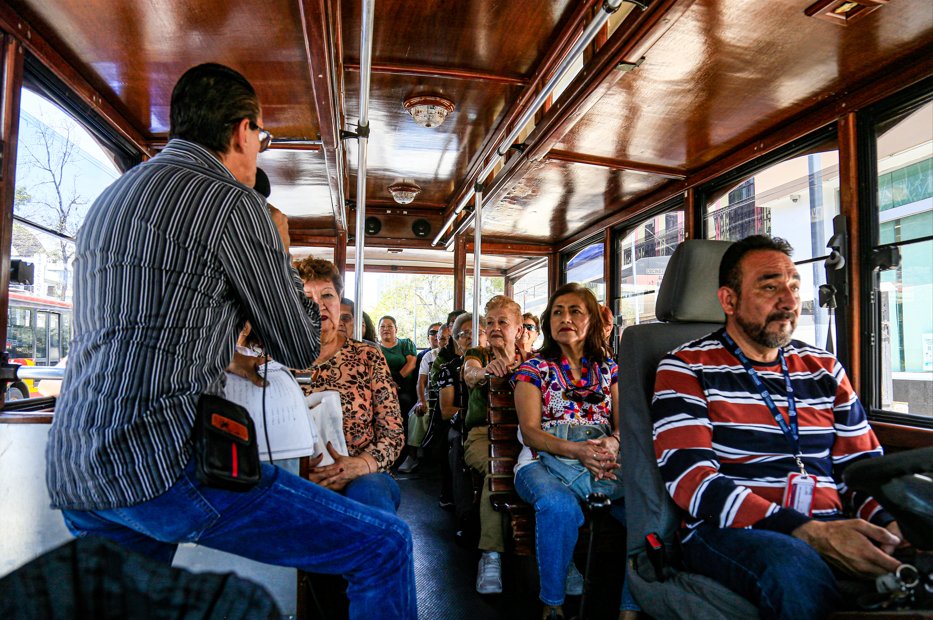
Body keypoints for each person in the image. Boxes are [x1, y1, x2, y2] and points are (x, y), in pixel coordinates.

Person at [44, 63, 416, 619]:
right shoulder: (232, 203)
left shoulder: (112, 199)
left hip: (78, 464)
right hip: (160, 463)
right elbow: (296, 340)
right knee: (385, 544)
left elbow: (154, 325)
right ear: (243, 130)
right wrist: (276, 248)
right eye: (262, 139)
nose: (259, 151)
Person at [652, 235, 904, 620]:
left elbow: (864, 468)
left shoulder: (824, 369)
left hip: (828, 520)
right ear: (729, 300)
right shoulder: (685, 367)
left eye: (794, 286)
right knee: (790, 564)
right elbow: (692, 480)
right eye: (770, 286)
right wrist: (808, 532)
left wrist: (892, 526)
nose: (788, 301)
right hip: (730, 528)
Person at [513, 283, 636, 620]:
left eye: (575, 311)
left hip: (600, 456)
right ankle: (553, 602)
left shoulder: (610, 369)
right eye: (557, 312)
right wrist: (578, 451)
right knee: (558, 505)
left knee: (647, 508)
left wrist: (612, 443)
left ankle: (630, 607)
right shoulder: (534, 369)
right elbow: (531, 433)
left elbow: (624, 424)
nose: (564, 318)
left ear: (592, 320)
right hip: (539, 463)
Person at [294, 258, 404, 514]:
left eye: (327, 295)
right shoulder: (276, 358)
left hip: (364, 473)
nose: (318, 304)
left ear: (338, 300)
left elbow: (393, 433)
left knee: (370, 500)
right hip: (296, 474)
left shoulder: (367, 356)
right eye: (307, 296)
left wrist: (361, 465)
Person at [462, 295, 531, 594]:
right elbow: (470, 374)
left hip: (525, 436)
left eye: (503, 322)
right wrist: (485, 372)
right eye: (489, 322)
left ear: (518, 330)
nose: (494, 327)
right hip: (482, 435)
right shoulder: (477, 354)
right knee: (497, 469)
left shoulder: (533, 363)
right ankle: (491, 555)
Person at [398, 321, 444, 473]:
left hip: (447, 400)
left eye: (441, 335)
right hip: (430, 398)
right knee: (418, 414)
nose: (437, 337)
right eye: (433, 333)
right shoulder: (428, 356)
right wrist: (421, 401)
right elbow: (421, 382)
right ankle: (412, 456)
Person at [377, 315, 418, 415]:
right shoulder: (374, 347)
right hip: (381, 388)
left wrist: (395, 381)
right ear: (378, 330)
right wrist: (388, 385)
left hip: (404, 389)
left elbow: (411, 364)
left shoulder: (405, 343)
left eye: (390, 326)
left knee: (403, 401)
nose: (386, 329)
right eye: (382, 327)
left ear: (396, 329)